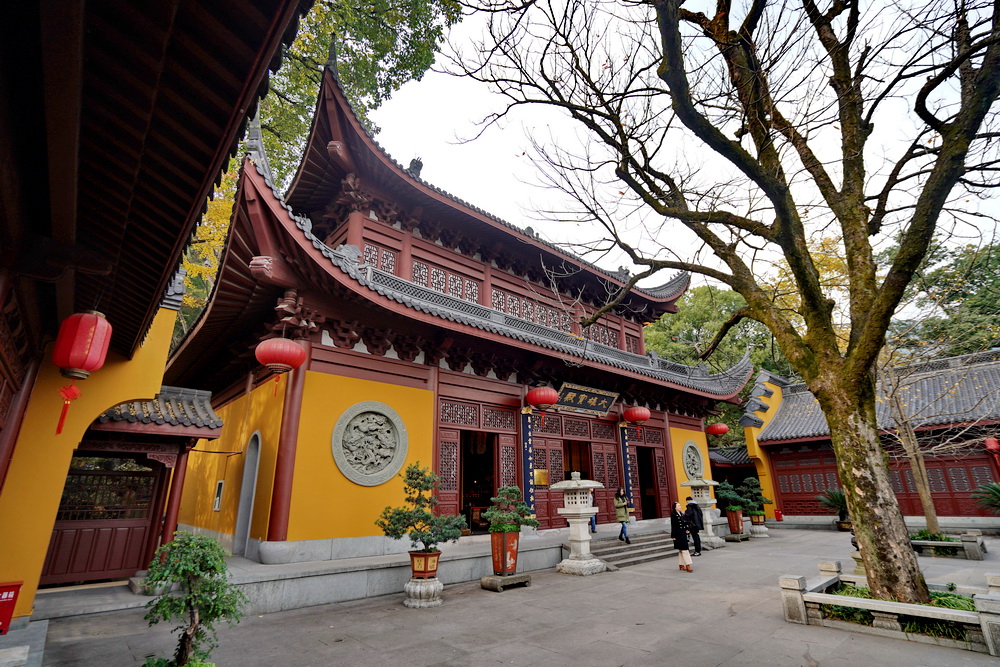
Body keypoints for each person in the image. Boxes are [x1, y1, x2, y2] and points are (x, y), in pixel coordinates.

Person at [671, 501, 693, 572]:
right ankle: (688, 564)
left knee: (682, 550)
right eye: (678, 506)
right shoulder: (673, 515)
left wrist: (687, 529)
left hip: (683, 533)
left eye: (680, 505)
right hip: (678, 534)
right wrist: (673, 535)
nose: (680, 507)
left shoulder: (681, 514)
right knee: (685, 550)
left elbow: (685, 523)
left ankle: (681, 564)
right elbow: (673, 526)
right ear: (675, 508)